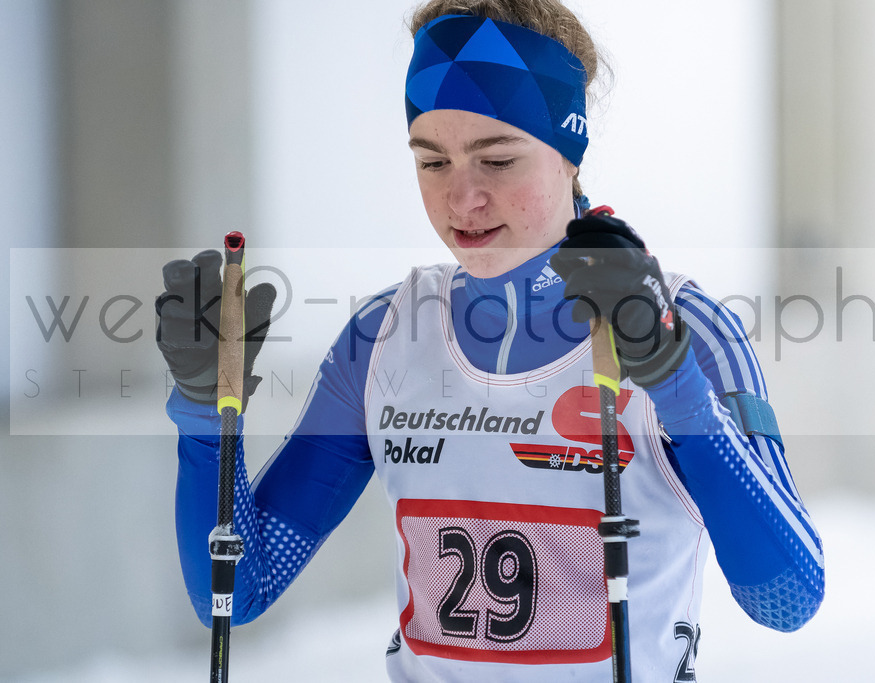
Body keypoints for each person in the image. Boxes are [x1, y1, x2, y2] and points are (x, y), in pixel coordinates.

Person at [156, 1, 825, 680]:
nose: (462, 199)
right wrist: (206, 417)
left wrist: (675, 385)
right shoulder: (385, 335)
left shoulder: (687, 326)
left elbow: (789, 597)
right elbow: (241, 587)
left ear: (569, 153)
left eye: (498, 159)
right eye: (433, 161)